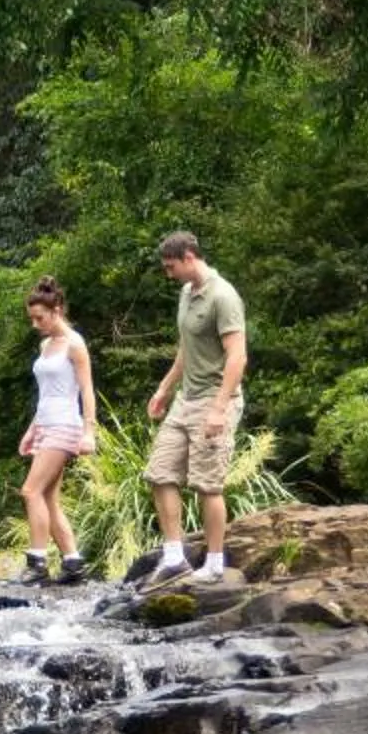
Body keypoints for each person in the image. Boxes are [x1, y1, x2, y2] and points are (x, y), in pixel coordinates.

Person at [140, 231, 247, 585]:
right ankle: (175, 557)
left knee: (207, 484)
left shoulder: (223, 296)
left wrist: (219, 409)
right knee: (159, 473)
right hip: (185, 400)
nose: (168, 273)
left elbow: (237, 357)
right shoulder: (187, 294)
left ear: (189, 257)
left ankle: (214, 563)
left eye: (171, 266)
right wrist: (164, 388)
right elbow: (186, 349)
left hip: (215, 399)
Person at [17, 278, 97, 586]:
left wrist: (89, 432)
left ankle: (37, 563)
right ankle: (73, 563)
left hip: (65, 425)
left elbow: (86, 390)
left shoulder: (75, 344)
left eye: (40, 318)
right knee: (48, 498)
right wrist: (31, 429)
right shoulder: (45, 345)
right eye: (32, 318)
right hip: (46, 424)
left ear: (57, 311)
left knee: (31, 491)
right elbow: (46, 394)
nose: (35, 324)